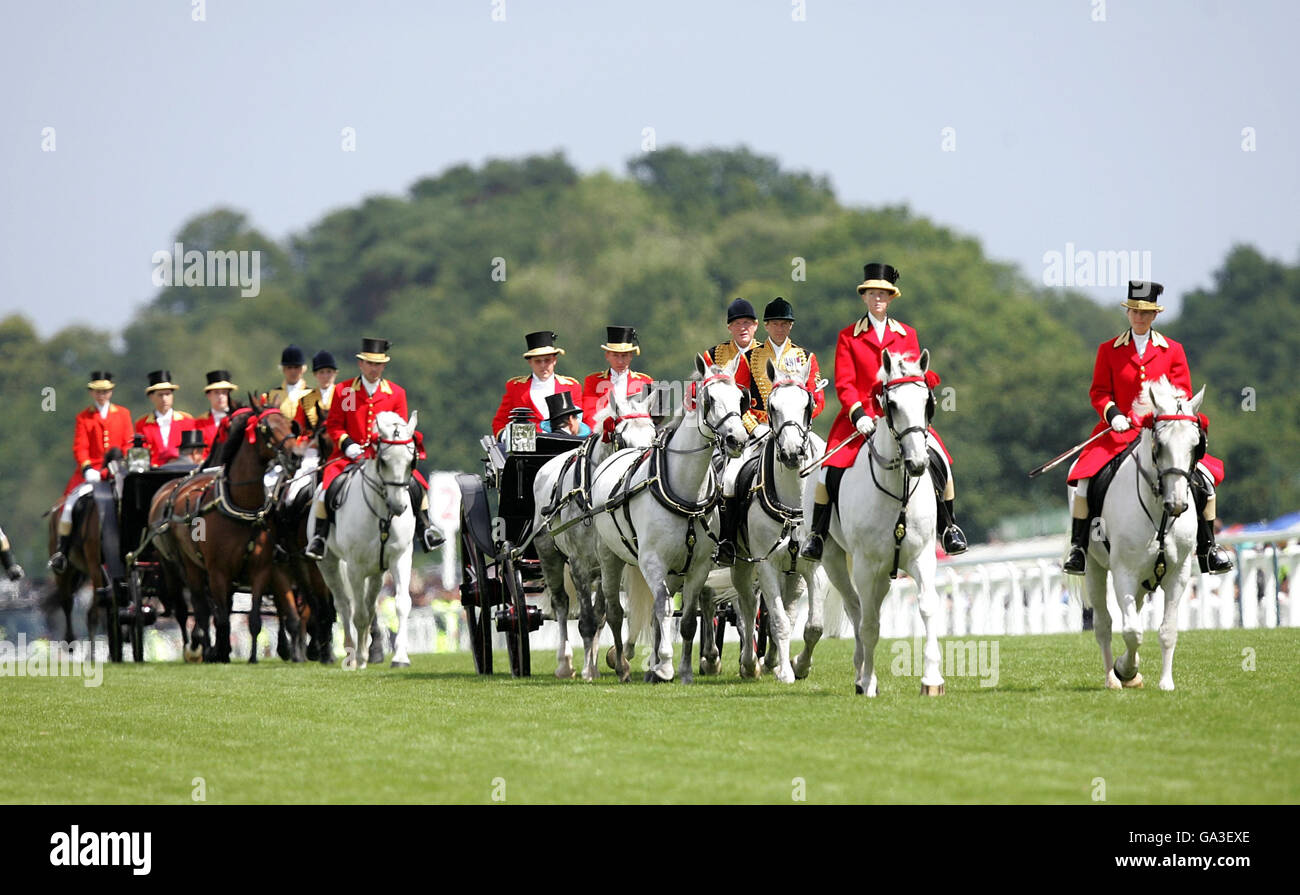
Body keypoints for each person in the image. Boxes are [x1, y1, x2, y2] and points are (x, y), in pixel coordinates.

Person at [1063, 280, 1232, 575]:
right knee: (1084, 479)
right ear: (1128, 313)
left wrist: (1160, 420)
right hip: (1119, 433)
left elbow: (1182, 393)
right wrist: (1113, 413)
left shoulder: (1173, 350)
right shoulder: (1108, 350)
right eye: (1135, 312)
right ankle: (1078, 548)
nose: (1139, 318)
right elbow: (1099, 392)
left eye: (1146, 313)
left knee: (1204, 478)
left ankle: (1208, 547)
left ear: (1154, 315)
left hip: (1162, 434)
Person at [801, 263, 968, 561]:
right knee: (828, 471)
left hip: (902, 417)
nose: (877, 298)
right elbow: (844, 384)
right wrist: (858, 415)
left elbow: (916, 374)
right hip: (861, 418)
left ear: (890, 298)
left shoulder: (907, 334)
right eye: (872, 293)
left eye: (883, 294)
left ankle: (949, 526)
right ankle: (817, 533)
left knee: (942, 459)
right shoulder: (848, 336)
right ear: (864, 297)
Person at [305, 338, 441, 559]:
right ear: (361, 364)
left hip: (383, 458)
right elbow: (335, 425)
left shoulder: (396, 393)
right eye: (369, 363)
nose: (374, 368)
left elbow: (401, 429)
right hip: (347, 457)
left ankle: (425, 529)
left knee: (417, 485)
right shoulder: (344, 390)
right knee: (326, 488)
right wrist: (347, 445)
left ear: (384, 366)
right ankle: (319, 537)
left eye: (378, 364)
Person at [49, 371, 136, 572]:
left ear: (111, 392)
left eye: (105, 391)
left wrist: (113, 468)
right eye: (97, 391)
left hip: (117, 470)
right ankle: (62, 551)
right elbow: (80, 446)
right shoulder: (84, 417)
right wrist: (87, 467)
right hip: (89, 471)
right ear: (91, 393)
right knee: (69, 505)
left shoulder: (123, 414)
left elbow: (128, 444)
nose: (101, 395)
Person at [491, 331, 583, 438]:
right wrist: (511, 437)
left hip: (563, 446)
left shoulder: (571, 386)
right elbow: (499, 422)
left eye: (547, 360)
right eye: (538, 361)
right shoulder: (515, 387)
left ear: (554, 360)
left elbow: (579, 422)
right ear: (530, 362)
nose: (543, 365)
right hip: (525, 449)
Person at [749, 297, 826, 423]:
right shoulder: (748, 357)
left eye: (784, 324)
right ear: (766, 325)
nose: (779, 329)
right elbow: (738, 399)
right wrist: (753, 427)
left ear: (791, 325)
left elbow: (818, 399)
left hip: (795, 427)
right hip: (759, 429)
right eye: (775, 324)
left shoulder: (807, 357)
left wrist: (799, 419)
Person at [582, 326, 653, 441]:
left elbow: (651, 417)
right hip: (603, 438)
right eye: (615, 355)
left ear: (631, 356)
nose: (620, 361)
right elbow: (589, 415)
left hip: (636, 439)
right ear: (607, 356)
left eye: (624, 355)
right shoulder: (593, 381)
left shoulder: (645, 381)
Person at [135, 370, 195, 467]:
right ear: (151, 397)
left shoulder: (187, 421)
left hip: (181, 471)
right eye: (160, 395)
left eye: (167, 394)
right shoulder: (142, 424)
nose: (164, 399)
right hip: (154, 474)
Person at [266, 344, 310, 420]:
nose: (293, 371)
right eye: (289, 367)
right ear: (283, 369)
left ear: (303, 369)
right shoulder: (270, 395)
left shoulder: (312, 393)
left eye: (296, 367)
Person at [194, 369, 237, 446]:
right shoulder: (199, 423)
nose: (220, 396)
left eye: (224, 392)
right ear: (208, 395)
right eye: (216, 392)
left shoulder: (238, 419)